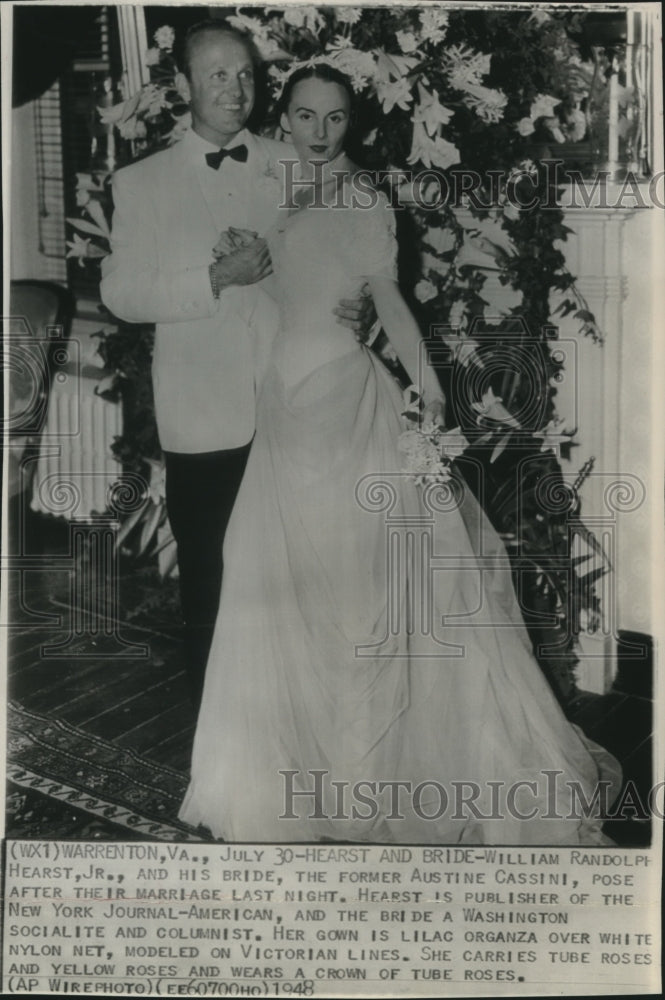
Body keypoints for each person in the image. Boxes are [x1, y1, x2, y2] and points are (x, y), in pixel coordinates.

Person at [179, 65, 621, 844]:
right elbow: (261, 293)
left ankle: (378, 777)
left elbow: (391, 303)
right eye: (306, 116)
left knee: (363, 591)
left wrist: (428, 392)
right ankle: (297, 777)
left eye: (336, 119)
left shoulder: (364, 199)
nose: (320, 132)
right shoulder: (268, 193)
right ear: (283, 118)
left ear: (353, 125)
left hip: (346, 405)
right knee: (278, 586)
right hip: (282, 415)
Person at [100, 22, 370, 709]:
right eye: (217, 74)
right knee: (211, 582)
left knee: (301, 568)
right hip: (205, 414)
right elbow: (123, 294)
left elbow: (341, 269)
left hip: (299, 404)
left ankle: (301, 717)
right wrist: (215, 277)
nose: (235, 88)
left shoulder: (297, 164)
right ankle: (219, 748)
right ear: (183, 87)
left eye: (245, 74)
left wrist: (355, 309)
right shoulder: (140, 183)